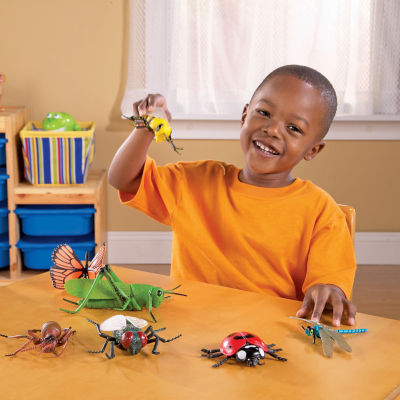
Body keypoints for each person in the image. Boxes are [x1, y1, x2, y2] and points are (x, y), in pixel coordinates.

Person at [108, 65, 357, 327]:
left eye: (294, 128)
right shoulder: (194, 182)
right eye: (264, 113)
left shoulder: (322, 211)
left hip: (269, 336)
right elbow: (123, 179)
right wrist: (146, 126)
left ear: (313, 150)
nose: (273, 130)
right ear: (244, 116)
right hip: (190, 327)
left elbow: (329, 285)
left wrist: (329, 291)